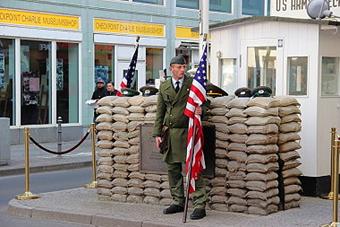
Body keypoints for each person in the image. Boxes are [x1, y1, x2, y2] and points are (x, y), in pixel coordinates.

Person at [152, 55, 208, 220]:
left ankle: (199, 203)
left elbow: (205, 101)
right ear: (172, 68)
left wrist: (201, 110)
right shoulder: (165, 86)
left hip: (188, 132)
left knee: (193, 168)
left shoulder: (192, 83)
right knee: (173, 169)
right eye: (179, 67)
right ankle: (178, 201)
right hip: (170, 133)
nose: (182, 70)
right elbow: (160, 111)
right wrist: (157, 133)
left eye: (184, 67)